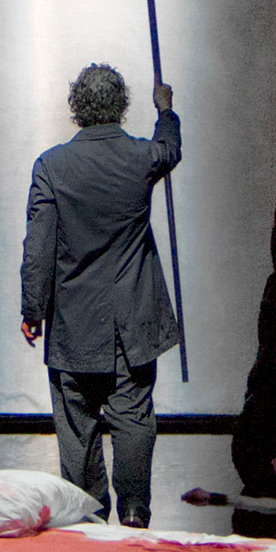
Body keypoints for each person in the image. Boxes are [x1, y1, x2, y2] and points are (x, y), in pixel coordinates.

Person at [19, 61, 183, 527]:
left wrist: (33, 309)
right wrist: (166, 110)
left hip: (74, 323)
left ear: (77, 107)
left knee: (77, 425)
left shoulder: (52, 166)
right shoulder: (140, 157)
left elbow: (39, 248)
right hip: (132, 319)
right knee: (132, 415)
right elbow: (169, 149)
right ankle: (134, 510)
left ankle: (89, 515)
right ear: (120, 106)